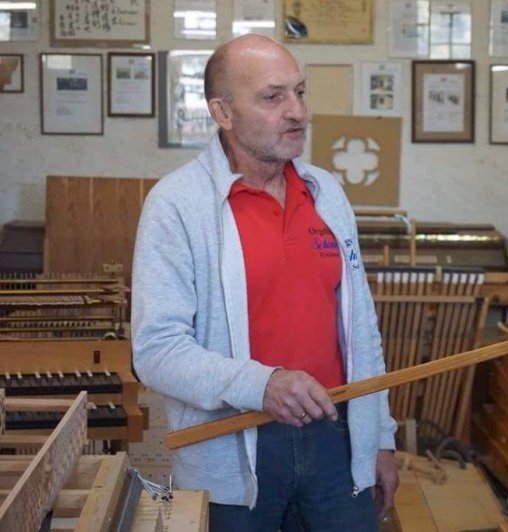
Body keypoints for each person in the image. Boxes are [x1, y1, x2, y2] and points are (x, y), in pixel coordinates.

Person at [132, 34, 398, 531]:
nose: (297, 111)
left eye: (299, 92)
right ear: (223, 113)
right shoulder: (177, 205)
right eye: (273, 97)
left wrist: (379, 436)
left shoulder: (326, 193)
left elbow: (362, 327)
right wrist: (263, 384)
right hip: (233, 445)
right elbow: (157, 351)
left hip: (336, 439)